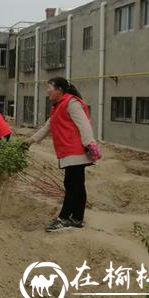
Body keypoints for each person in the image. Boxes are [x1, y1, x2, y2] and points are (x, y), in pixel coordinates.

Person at [24, 77, 101, 232]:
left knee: (72, 184)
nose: (47, 92)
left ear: (59, 89)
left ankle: (64, 218)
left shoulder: (71, 103)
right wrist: (30, 140)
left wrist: (89, 144)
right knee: (77, 184)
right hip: (68, 150)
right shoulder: (58, 106)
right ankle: (77, 219)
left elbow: (84, 124)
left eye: (49, 89)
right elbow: (48, 126)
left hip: (75, 150)